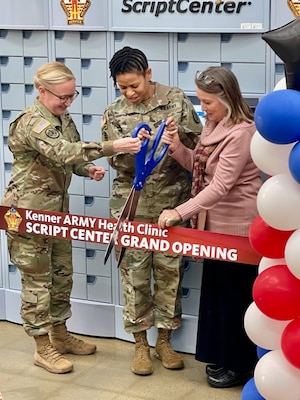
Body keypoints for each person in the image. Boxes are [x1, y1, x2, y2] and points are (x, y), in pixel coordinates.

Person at [1, 61, 142, 374]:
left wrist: (87, 169)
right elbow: (63, 152)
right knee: (38, 280)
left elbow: (72, 157)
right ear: (42, 91)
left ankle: (60, 334)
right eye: (61, 97)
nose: (67, 103)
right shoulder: (33, 123)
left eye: (71, 96)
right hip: (28, 213)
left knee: (62, 274)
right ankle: (42, 347)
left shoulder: (60, 118)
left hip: (56, 212)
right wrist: (113, 146)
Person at [158, 66, 261, 388]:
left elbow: (221, 186)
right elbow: (198, 168)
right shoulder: (214, 125)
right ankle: (221, 356)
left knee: (235, 297)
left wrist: (178, 211)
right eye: (200, 101)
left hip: (237, 229)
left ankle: (240, 363)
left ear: (227, 99)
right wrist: (175, 146)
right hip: (213, 228)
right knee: (218, 295)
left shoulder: (243, 132)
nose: (204, 109)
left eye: (208, 102)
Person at [102, 46, 202, 376]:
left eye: (135, 85)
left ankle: (165, 340)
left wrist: (175, 139)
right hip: (132, 206)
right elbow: (114, 160)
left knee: (170, 275)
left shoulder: (176, 99)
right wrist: (132, 148)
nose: (130, 93)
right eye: (122, 88)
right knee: (134, 277)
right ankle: (141, 345)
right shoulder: (114, 112)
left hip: (171, 206)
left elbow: (198, 145)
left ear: (148, 73)